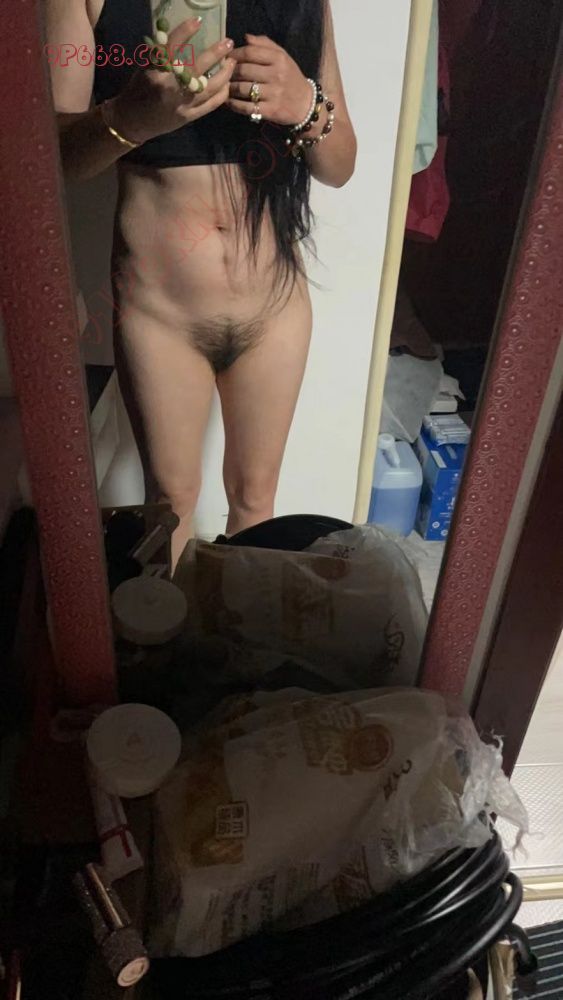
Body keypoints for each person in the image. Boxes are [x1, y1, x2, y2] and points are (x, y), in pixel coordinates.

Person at [46, 0, 357, 565]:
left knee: (256, 501)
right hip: (159, 314)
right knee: (169, 506)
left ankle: (235, 623)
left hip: (273, 308)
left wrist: (304, 104)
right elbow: (52, 158)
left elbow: (341, 165)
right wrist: (130, 119)